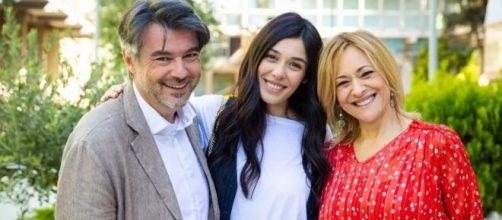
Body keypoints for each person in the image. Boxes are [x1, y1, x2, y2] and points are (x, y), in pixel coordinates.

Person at [101, 12, 330, 220]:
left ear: (307, 76)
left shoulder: (318, 135)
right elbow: (156, 103)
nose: (278, 72)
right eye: (271, 57)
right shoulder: (217, 113)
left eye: (294, 65)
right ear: (256, 58)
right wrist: (124, 90)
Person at [55, 1, 219, 219]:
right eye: (163, 58)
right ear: (130, 61)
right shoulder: (95, 142)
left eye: (190, 55)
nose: (180, 72)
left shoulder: (197, 122)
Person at [316, 30, 483, 219]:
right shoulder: (332, 157)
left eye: (367, 74)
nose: (358, 89)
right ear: (334, 95)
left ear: (387, 73)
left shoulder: (437, 145)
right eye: (343, 83)